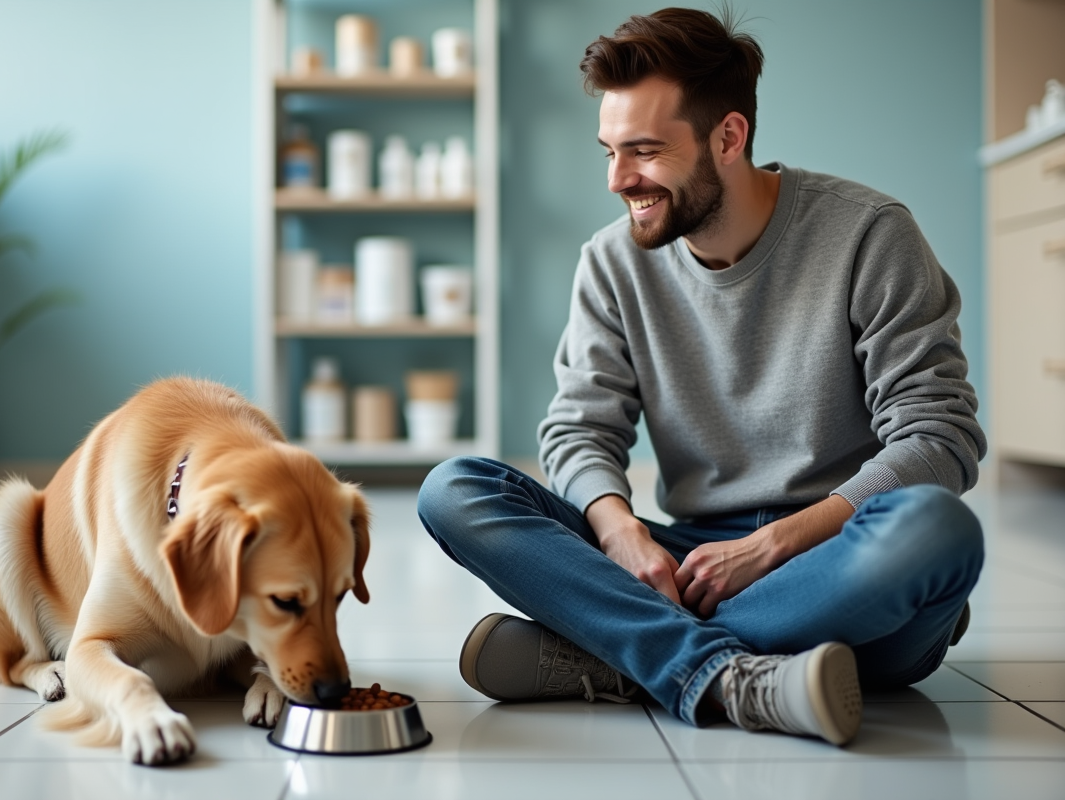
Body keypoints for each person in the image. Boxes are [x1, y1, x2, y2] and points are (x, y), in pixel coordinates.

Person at [416, 7, 985, 746]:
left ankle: (629, 655)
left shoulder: (870, 235)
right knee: (454, 489)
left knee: (937, 531)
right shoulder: (611, 261)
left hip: (834, 558)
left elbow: (939, 436)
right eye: (609, 151)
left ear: (728, 137)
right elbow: (579, 429)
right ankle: (723, 673)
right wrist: (620, 535)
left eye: (645, 151)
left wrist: (777, 545)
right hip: (689, 565)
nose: (620, 180)